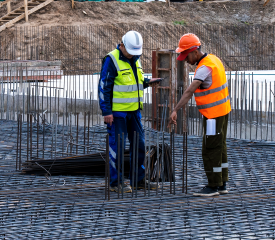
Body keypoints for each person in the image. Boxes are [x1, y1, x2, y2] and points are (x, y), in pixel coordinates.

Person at [168, 33, 231, 197]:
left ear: (194, 51)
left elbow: (189, 91)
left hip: (213, 117)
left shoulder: (204, 68)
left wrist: (175, 109)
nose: (186, 60)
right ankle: (222, 182)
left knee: (210, 149)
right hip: (223, 112)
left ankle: (213, 185)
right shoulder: (214, 59)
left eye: (186, 55)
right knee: (220, 147)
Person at [98, 30, 159, 193]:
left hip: (134, 112)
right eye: (130, 52)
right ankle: (115, 182)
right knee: (117, 147)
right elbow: (104, 87)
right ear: (122, 45)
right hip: (117, 114)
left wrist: (147, 82)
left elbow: (133, 83)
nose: (133, 55)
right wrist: (106, 111)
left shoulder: (135, 59)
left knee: (139, 145)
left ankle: (138, 180)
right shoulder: (112, 59)